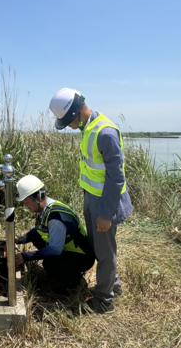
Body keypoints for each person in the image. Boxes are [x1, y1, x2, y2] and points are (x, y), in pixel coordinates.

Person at [49, 88, 132, 314]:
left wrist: (105, 214)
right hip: (93, 199)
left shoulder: (104, 133)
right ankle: (114, 286)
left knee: (104, 252)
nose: (68, 126)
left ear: (76, 112)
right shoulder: (88, 128)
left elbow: (116, 178)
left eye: (68, 122)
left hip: (106, 203)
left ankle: (104, 301)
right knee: (99, 247)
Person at [14, 175, 96, 293]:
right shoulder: (44, 208)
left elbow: (55, 249)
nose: (26, 206)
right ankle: (66, 269)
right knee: (37, 238)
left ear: (37, 197)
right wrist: (19, 239)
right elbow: (38, 230)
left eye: (26, 202)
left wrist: (25, 256)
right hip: (68, 250)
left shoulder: (55, 216)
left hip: (82, 256)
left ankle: (76, 283)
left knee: (50, 264)